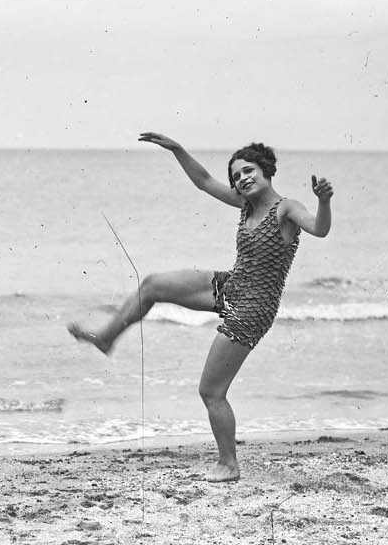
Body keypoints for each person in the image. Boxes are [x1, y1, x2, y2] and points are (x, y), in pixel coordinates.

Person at [68, 132, 334, 483]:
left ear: (267, 170)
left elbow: (319, 228)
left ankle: (229, 464)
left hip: (253, 308)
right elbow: (204, 181)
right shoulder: (246, 205)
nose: (242, 179)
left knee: (211, 391)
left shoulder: (286, 208)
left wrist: (324, 201)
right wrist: (177, 149)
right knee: (151, 285)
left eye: (249, 170)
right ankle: (107, 338)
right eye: (237, 175)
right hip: (231, 286)